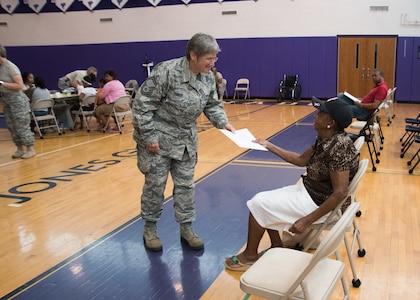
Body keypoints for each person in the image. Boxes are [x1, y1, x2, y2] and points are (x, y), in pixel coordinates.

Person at [224, 96, 359, 271]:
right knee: (265, 200)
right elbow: (301, 160)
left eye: (320, 114)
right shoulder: (326, 138)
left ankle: (250, 256)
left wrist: (306, 220)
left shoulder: (339, 146)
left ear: (330, 122)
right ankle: (276, 246)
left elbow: (340, 192)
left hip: (320, 203)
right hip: (311, 193)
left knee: (258, 203)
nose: (315, 116)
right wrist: (269, 146)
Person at [132, 32, 236, 252]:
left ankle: (186, 228)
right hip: (157, 142)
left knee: (186, 187)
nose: (213, 63)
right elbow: (142, 105)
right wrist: (149, 136)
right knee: (155, 186)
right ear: (193, 56)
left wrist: (223, 122)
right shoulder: (166, 72)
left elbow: (212, 104)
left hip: (186, 142)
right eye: (209, 58)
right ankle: (150, 228)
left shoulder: (208, 77)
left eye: (214, 58)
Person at [0, 45, 36, 159]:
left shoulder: (10, 67)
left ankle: (30, 148)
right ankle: (20, 148)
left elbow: (19, 85)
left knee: (21, 125)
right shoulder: (1, 67)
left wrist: (2, 84)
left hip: (17, 100)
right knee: (11, 125)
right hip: (6, 100)